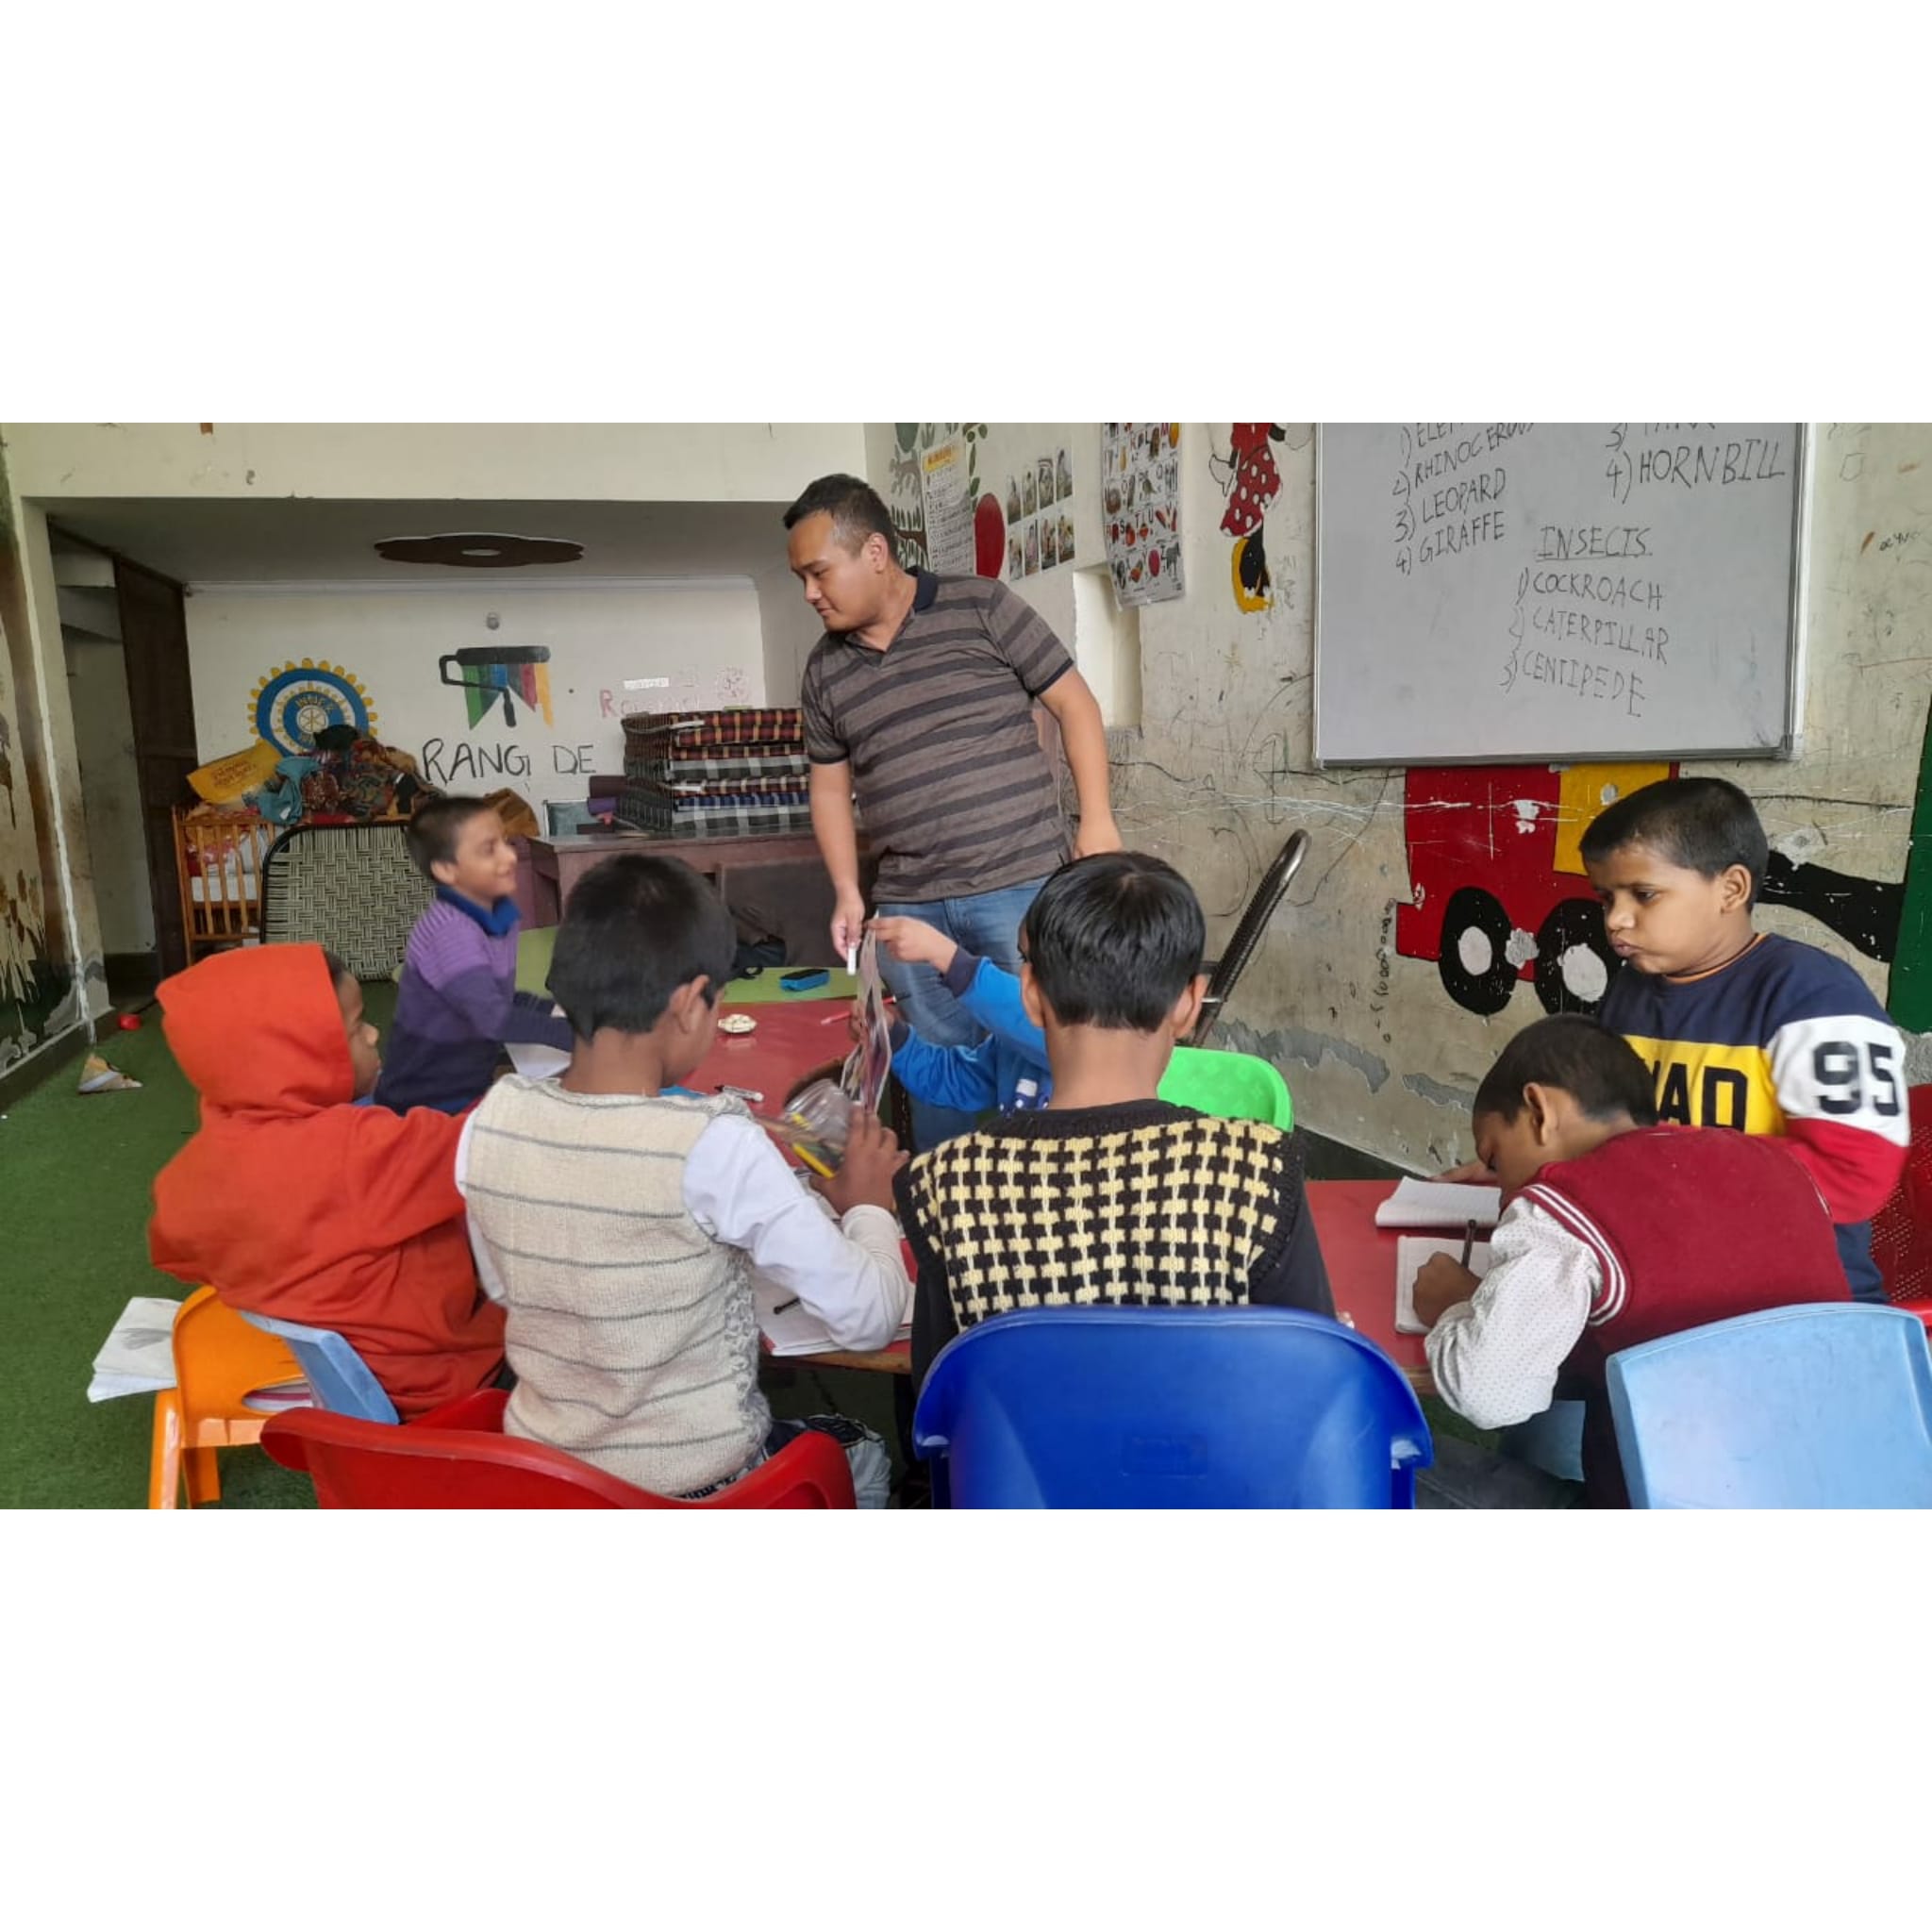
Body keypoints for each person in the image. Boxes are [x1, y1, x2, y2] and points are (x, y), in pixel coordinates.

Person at [456, 852, 906, 1506]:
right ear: (692, 1003)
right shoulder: (714, 1142)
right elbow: (868, 1319)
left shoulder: (489, 1122)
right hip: (698, 1489)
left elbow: (506, 1285)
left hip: (549, 1482)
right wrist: (869, 1207)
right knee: (862, 1450)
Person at [895, 852, 1334, 1389]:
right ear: (1190, 1003)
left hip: (1022, 1447)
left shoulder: (945, 1187)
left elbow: (940, 1401)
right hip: (1206, 1446)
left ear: (1030, 996)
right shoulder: (1259, 1172)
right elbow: (1310, 1384)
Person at [785, 473, 1122, 1150]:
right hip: (910, 904)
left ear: (874, 552)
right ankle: (945, 1199)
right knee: (937, 1076)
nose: (810, 593)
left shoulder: (983, 607)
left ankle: (1049, 1197)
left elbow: (1075, 704)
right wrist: (848, 889)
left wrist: (1097, 818)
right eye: (801, 579)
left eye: (819, 573)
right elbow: (828, 788)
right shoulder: (825, 670)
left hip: (1021, 887)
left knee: (1044, 1056)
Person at [1413, 1014, 1849, 1507]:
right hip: (1838, 1498)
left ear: (1539, 1110)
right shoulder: (1782, 1168)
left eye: (1495, 1159)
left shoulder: (1563, 1205)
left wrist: (1456, 1308)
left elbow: (1489, 1393)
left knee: (1378, 1458)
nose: (1500, 1191)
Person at [1577, 774, 1908, 1301]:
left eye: (1643, 895)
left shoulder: (1815, 996)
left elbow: (1852, 1176)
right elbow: (1596, 1124)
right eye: (1605, 898)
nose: (1616, 920)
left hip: (1795, 1306)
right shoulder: (1628, 992)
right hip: (1663, 1277)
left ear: (1731, 889)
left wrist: (1658, 1164)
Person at [149, 945, 508, 1418]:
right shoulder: (359, 1152)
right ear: (299, 1055)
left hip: (348, 1392)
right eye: (357, 1027)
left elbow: (175, 1254)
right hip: (448, 1384)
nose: (374, 1034)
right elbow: (497, 1145)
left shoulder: (188, 1175)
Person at [373, 794, 575, 1115]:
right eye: (488, 849)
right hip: (425, 1101)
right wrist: (575, 1037)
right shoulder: (451, 931)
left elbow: (497, 999)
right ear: (446, 870)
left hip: (466, 1085)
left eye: (505, 842)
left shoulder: (499, 916)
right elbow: (489, 1016)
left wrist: (553, 1010)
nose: (509, 856)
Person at [869, 912, 1050, 1119]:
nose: (1026, 976)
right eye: (1024, 960)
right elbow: (954, 1079)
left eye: (1044, 965)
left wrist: (949, 959)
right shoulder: (1012, 1048)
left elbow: (1044, 1031)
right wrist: (894, 1036)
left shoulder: (1069, 1044)